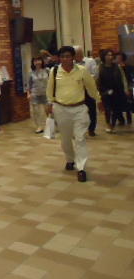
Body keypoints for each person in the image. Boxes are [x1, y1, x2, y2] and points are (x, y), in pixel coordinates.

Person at [46, 46, 101, 182]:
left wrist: (98, 100)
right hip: (61, 109)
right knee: (65, 139)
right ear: (59, 58)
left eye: (68, 56)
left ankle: (81, 168)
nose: (65, 59)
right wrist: (49, 104)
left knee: (80, 138)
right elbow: (50, 89)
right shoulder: (54, 71)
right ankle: (70, 159)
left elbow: (91, 87)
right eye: (62, 56)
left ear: (73, 57)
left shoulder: (82, 71)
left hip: (79, 109)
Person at [97, 49, 129, 133]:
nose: (110, 56)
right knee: (107, 110)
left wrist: (125, 89)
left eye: (111, 55)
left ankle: (112, 125)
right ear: (104, 57)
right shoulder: (100, 67)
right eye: (108, 55)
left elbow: (123, 78)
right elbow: (98, 81)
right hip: (105, 92)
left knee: (116, 109)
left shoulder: (117, 66)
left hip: (117, 91)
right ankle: (108, 124)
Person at [74, 46, 99, 136]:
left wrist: (84, 79)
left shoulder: (90, 61)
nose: (75, 56)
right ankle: (80, 129)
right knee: (78, 111)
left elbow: (95, 74)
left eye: (77, 53)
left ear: (81, 53)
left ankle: (91, 129)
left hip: (89, 90)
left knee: (91, 110)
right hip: (77, 91)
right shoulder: (72, 63)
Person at [27, 56, 49, 134]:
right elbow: (29, 85)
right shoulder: (31, 73)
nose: (37, 62)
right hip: (35, 94)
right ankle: (39, 126)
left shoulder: (47, 70)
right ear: (33, 63)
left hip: (46, 93)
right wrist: (28, 94)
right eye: (35, 61)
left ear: (42, 61)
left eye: (39, 60)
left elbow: (51, 82)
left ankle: (50, 126)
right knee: (36, 112)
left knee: (48, 111)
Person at [115, 52, 133, 125]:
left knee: (128, 104)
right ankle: (121, 120)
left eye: (120, 58)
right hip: (117, 89)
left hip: (127, 88)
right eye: (117, 58)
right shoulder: (114, 67)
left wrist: (129, 89)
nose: (118, 59)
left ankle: (129, 119)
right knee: (118, 105)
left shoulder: (129, 67)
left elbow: (130, 79)